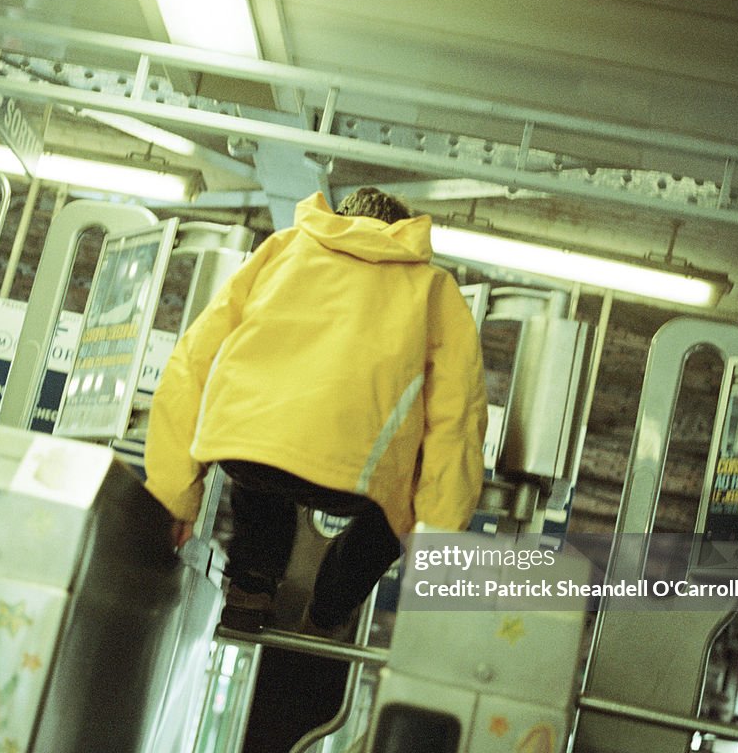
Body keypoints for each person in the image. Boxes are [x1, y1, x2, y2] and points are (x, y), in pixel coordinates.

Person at [143, 187, 488, 636]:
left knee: (262, 446)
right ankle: (330, 608)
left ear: (338, 216)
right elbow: (457, 420)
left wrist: (173, 496)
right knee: (395, 511)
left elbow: (192, 362)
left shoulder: (281, 251)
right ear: (403, 231)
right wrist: (436, 539)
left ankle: (252, 582)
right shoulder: (436, 290)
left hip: (250, 449)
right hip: (357, 478)